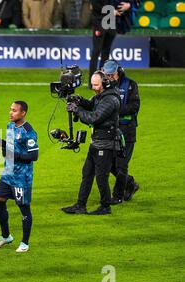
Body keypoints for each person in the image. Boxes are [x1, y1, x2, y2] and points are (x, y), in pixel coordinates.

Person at [62, 71, 121, 215]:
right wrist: (80, 100)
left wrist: (77, 110)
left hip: (106, 144)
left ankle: (105, 207)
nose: (94, 88)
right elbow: (91, 104)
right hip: (96, 142)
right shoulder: (101, 96)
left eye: (96, 85)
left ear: (105, 83)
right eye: (92, 85)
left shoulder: (110, 100)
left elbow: (94, 117)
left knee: (101, 177)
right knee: (87, 174)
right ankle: (80, 205)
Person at [0, 101, 39, 253]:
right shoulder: (10, 126)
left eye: (14, 111)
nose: (11, 113)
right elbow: (10, 147)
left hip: (21, 177)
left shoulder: (29, 131)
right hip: (7, 174)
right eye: (10, 110)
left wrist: (13, 155)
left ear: (23, 113)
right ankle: (6, 236)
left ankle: (25, 243)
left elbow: (33, 155)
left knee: (24, 209)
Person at [102, 60, 140, 204]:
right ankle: (130, 183)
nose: (109, 78)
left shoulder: (130, 85)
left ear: (118, 72)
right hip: (110, 130)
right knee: (108, 163)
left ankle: (118, 196)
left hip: (127, 130)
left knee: (121, 164)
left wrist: (114, 109)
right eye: (107, 75)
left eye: (112, 75)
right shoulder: (104, 85)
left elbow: (135, 106)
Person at [88, 0, 134, 85]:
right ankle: (92, 81)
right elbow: (96, 6)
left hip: (111, 23)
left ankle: (102, 80)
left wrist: (126, 6)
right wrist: (111, 11)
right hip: (99, 22)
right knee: (96, 51)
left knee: (106, 52)